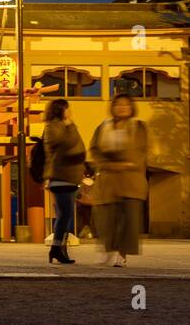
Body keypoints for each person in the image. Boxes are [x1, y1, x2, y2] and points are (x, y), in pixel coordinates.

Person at [89, 94, 149, 267]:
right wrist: (106, 164)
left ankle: (121, 254)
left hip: (131, 179)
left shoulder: (139, 127)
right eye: (118, 104)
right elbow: (94, 149)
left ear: (131, 107)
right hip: (109, 179)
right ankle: (108, 249)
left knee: (129, 219)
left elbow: (142, 151)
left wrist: (126, 163)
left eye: (126, 104)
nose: (122, 107)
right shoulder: (104, 127)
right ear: (113, 107)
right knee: (107, 218)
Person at [42, 98, 85, 264]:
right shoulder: (53, 127)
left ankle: (60, 249)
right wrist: (70, 126)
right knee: (64, 214)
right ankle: (56, 248)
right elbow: (68, 144)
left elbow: (78, 147)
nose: (70, 111)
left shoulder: (63, 127)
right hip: (60, 176)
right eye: (68, 108)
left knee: (65, 215)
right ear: (61, 110)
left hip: (70, 176)